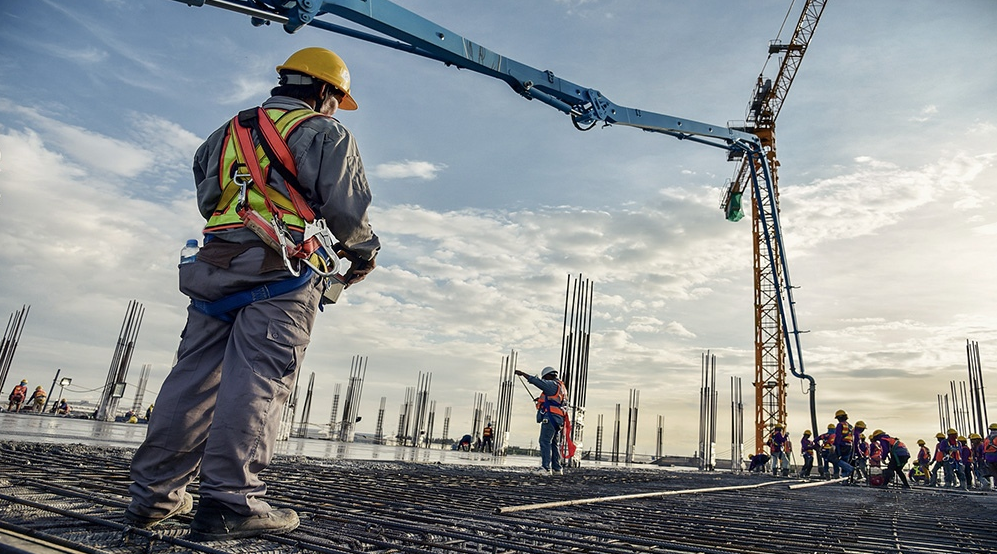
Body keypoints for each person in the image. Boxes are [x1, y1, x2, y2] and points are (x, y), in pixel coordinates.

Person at [126, 47, 379, 541]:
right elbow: (347, 209)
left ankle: (153, 498)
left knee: (191, 381)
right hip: (280, 272)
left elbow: (207, 197)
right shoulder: (326, 132)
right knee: (258, 380)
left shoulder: (225, 133)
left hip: (214, 267)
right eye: (335, 99)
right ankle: (230, 502)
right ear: (324, 91)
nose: (334, 108)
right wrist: (364, 253)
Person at [515, 366, 567, 475]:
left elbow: (537, 382)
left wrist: (523, 373)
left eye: (545, 378)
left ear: (548, 376)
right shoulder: (561, 387)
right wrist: (540, 400)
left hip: (551, 417)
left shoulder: (551, 384)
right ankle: (557, 469)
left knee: (544, 441)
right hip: (558, 419)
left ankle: (546, 468)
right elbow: (555, 401)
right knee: (553, 443)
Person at [982, 423, 997, 491]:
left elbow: (984, 449)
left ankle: (995, 485)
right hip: (995, 455)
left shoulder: (986, 438)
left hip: (988, 457)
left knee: (994, 472)